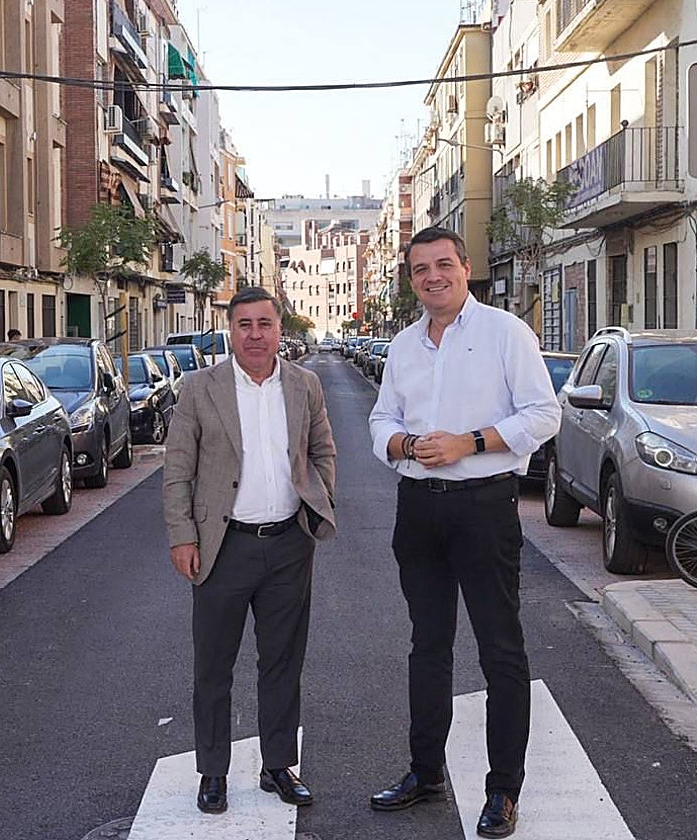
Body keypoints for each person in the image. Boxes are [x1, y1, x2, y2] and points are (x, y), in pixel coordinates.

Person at [367, 226, 560, 838]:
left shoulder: (506, 333)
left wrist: (468, 443)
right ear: (412, 279)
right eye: (420, 269)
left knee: (501, 651)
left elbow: (543, 414)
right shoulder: (402, 346)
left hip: (483, 506)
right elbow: (381, 418)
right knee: (427, 647)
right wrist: (402, 444)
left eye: (443, 265)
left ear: (466, 267)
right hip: (418, 509)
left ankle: (503, 791)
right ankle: (425, 773)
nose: (433, 277)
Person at [163, 285, 337, 815]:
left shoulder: (304, 385)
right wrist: (182, 535)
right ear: (230, 331)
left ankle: (278, 765)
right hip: (222, 546)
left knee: (282, 661)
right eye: (245, 325)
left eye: (265, 324)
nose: (256, 335)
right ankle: (213, 771)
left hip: (288, 544)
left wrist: (317, 501)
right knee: (213, 665)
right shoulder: (199, 388)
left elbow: (322, 449)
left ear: (279, 329)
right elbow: (177, 470)